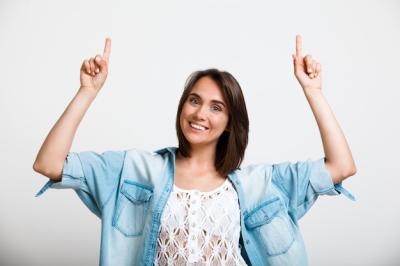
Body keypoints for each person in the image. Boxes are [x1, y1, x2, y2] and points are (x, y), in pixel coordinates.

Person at [33, 35, 357, 266]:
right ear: (183, 105)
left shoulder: (259, 185)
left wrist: (313, 91)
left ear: (230, 122)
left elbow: (341, 166)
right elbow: (49, 164)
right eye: (194, 100)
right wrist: (87, 92)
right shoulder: (135, 170)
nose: (201, 114)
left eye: (217, 107)